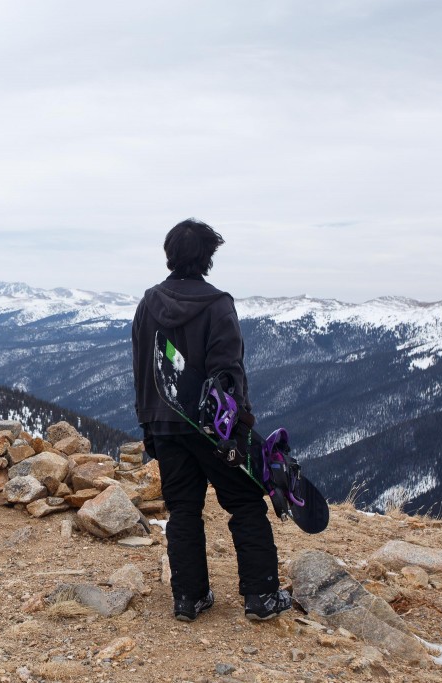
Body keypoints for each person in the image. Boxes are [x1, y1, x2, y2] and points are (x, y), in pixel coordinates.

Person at [131, 218, 291, 621]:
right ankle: (261, 598)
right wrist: (240, 427)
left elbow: (142, 368)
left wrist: (149, 424)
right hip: (213, 428)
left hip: (165, 423)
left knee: (182, 509)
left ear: (169, 254)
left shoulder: (148, 303)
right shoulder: (218, 304)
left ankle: (189, 599)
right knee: (245, 505)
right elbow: (228, 372)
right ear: (208, 257)